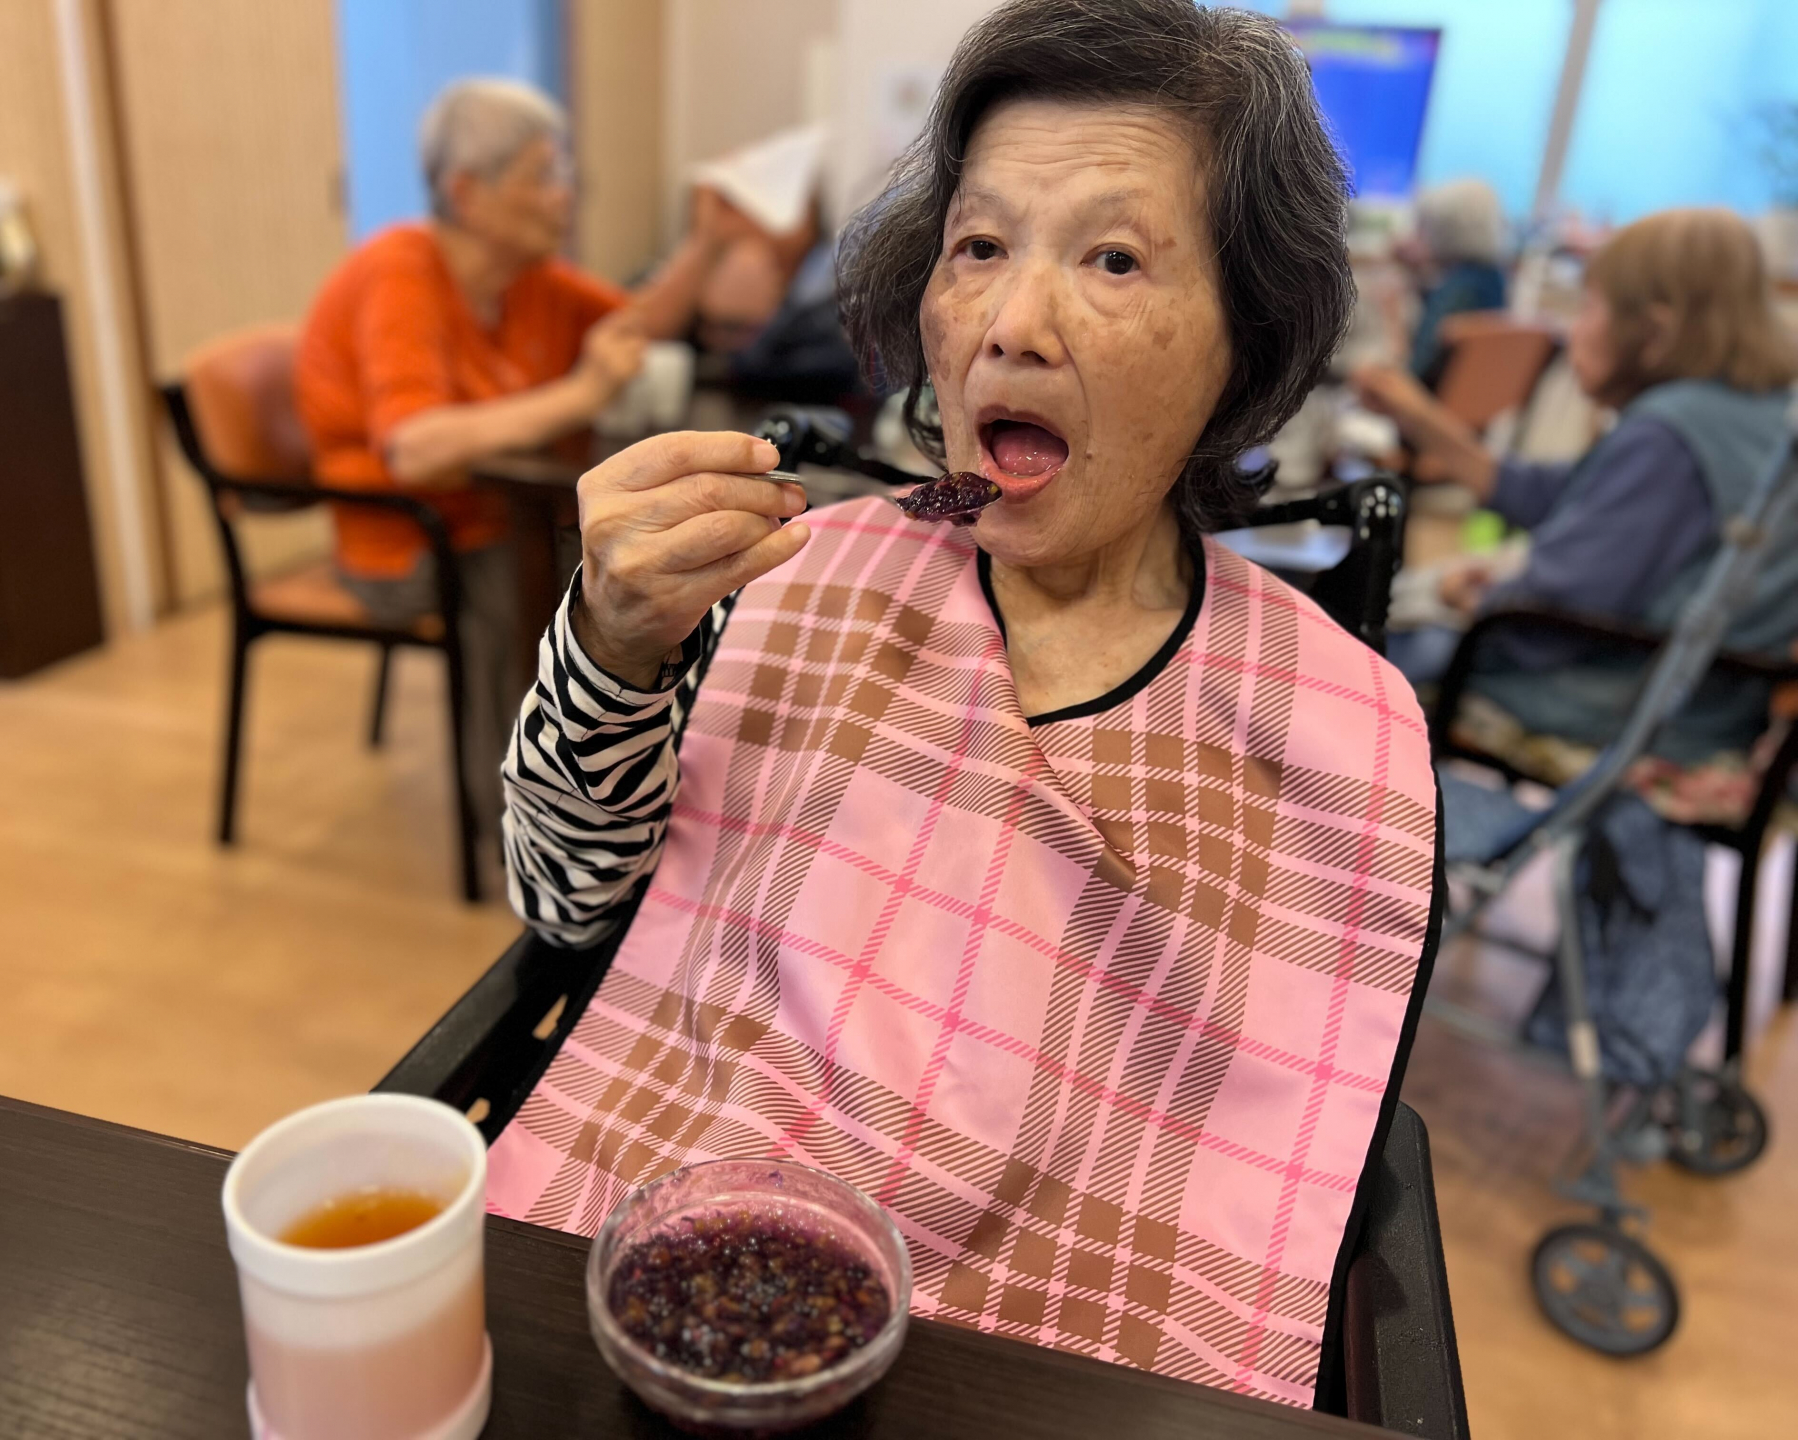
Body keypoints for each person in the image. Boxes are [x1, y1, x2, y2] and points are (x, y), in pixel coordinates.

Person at [493, 0, 1438, 1408]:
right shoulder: (795, 580)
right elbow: (563, 903)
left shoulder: (1336, 730)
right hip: (672, 1287)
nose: (1010, 324)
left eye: (1113, 258)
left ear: (1243, 342)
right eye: (979, 248)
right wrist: (611, 649)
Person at [294, 79, 748, 840]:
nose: (564, 193)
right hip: (402, 542)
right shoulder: (398, 271)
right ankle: (527, 826)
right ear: (466, 194)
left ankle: (645, 779)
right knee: (558, 585)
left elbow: (638, 327)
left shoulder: (527, 277)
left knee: (638, 557)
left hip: (499, 516)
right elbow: (416, 450)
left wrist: (705, 243)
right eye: (543, 174)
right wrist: (582, 394)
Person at [1356, 208, 1798, 758]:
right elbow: (1565, 496)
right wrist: (1419, 416)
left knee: (1365, 646)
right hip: (1712, 706)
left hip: (1615, 708)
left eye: (1589, 307)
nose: (1572, 329)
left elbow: (1552, 611)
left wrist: (1473, 592)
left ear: (1655, 332)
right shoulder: (1755, 412)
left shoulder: (1668, 435)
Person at [1398, 178, 1509, 382]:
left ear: (1446, 229)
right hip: (1472, 389)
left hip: (1428, 394)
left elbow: (1414, 371)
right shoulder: (1494, 277)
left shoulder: (1456, 290)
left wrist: (1391, 317)